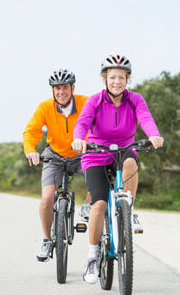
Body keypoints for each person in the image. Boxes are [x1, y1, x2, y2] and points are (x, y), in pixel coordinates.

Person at [71, 55, 164, 284]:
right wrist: (78, 139)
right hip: (95, 154)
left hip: (123, 150)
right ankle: (92, 257)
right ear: (105, 78)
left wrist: (153, 134)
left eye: (121, 77)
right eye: (112, 77)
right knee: (99, 204)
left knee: (131, 162)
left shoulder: (135, 100)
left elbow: (145, 117)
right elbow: (82, 123)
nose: (116, 81)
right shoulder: (94, 100)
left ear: (127, 79)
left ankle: (128, 210)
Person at [23, 69, 91, 262]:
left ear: (72, 88)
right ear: (52, 90)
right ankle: (46, 240)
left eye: (65, 88)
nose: (61, 92)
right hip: (54, 156)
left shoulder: (86, 102)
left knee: (99, 178)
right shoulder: (45, 107)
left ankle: (87, 204)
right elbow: (31, 131)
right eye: (57, 88)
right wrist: (30, 150)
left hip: (82, 153)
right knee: (46, 199)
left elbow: (99, 122)